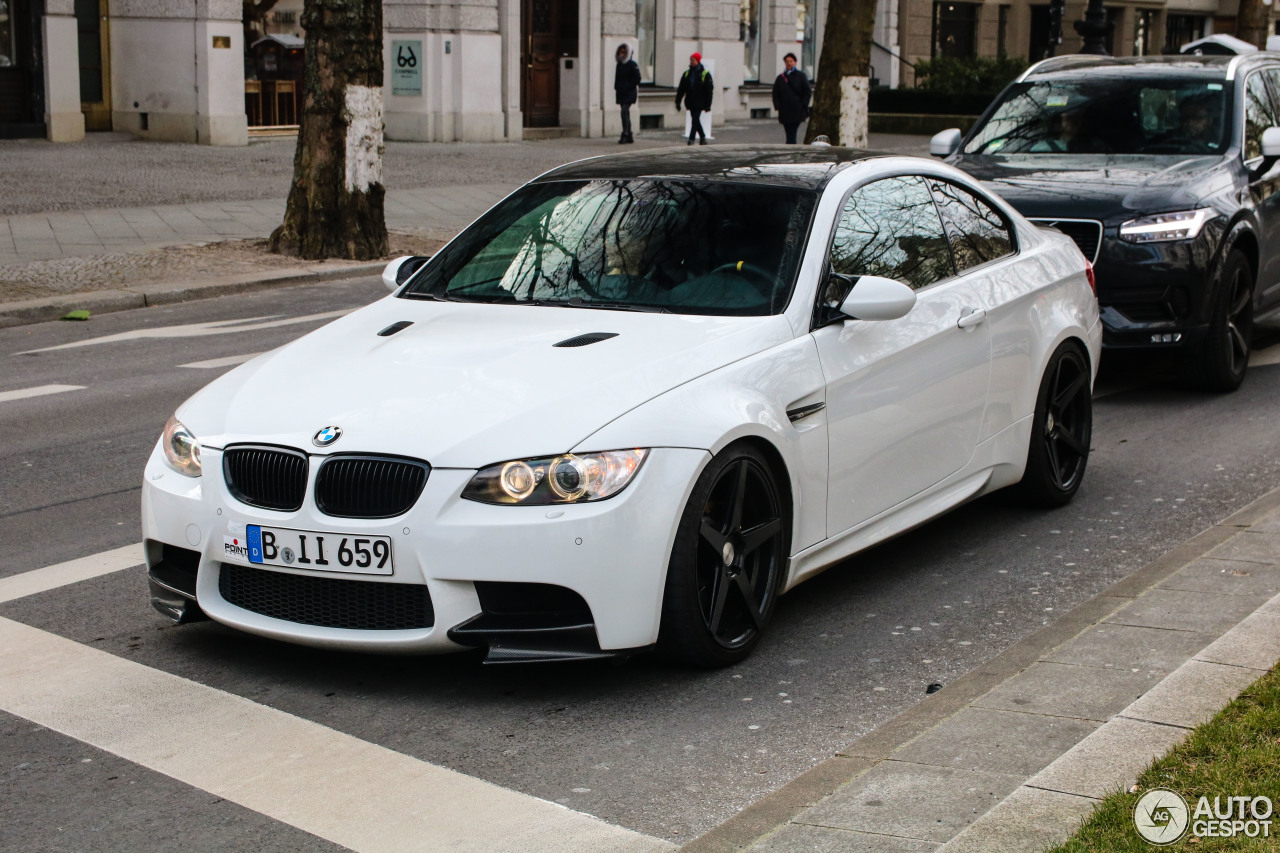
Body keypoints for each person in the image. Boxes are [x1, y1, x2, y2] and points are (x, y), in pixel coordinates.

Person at [772, 53, 811, 144]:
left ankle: (791, 147)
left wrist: (803, 104)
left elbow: (807, 91)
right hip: (785, 111)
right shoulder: (780, 78)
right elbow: (775, 93)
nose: (789, 63)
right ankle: (790, 146)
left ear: (795, 62)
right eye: (787, 61)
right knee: (788, 131)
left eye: (791, 61)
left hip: (797, 110)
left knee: (792, 132)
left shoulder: (801, 76)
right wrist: (778, 106)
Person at [676, 52, 714, 146]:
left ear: (698, 61)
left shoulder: (705, 74)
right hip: (690, 101)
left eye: (693, 60)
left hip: (700, 102)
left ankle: (691, 139)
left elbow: (709, 91)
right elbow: (681, 89)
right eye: (691, 60)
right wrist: (678, 101)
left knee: (694, 120)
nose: (691, 61)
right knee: (695, 120)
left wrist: (708, 105)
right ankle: (702, 137)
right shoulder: (687, 74)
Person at [614, 43, 641, 144]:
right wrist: (616, 87)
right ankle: (629, 134)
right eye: (620, 52)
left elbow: (637, 79)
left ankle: (625, 133)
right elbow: (617, 78)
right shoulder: (619, 65)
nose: (621, 54)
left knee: (624, 112)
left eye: (623, 52)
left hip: (629, 92)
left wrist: (628, 87)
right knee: (625, 113)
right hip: (621, 92)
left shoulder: (632, 65)